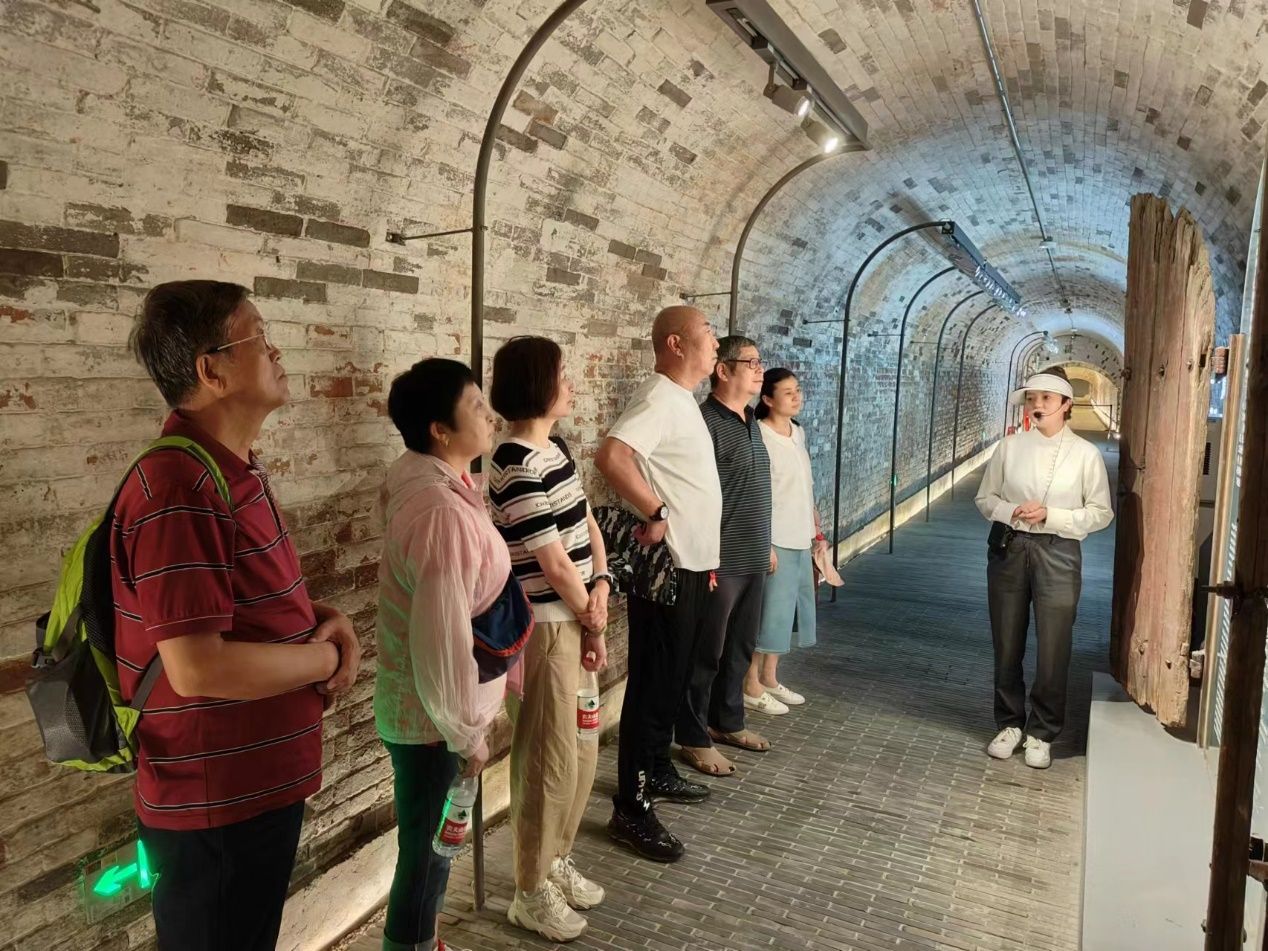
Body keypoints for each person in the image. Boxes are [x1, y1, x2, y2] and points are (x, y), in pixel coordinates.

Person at [116, 280, 361, 951]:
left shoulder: (228, 469)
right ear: (212, 370)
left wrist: (326, 616)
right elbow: (197, 667)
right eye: (259, 336)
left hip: (248, 790)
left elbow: (230, 603)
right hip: (215, 806)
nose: (276, 351)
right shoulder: (179, 486)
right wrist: (326, 657)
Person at [374, 358, 504, 951]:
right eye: (476, 406)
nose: (490, 415)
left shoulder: (432, 481)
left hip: (429, 713)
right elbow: (442, 636)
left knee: (431, 848)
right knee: (428, 855)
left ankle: (422, 939)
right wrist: (465, 733)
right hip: (433, 722)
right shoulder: (441, 512)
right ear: (440, 430)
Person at [488, 336, 612, 943]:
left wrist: (604, 585)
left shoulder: (554, 449)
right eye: (563, 375)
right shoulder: (513, 463)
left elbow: (586, 525)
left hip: (579, 617)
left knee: (582, 747)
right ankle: (529, 889)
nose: (571, 385)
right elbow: (553, 561)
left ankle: (557, 856)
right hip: (546, 628)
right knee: (546, 759)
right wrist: (591, 615)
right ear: (538, 383)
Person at [595, 305, 721, 862]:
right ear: (675, 343)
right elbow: (612, 456)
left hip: (694, 566)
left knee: (672, 681)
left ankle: (658, 769)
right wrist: (656, 509)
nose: (715, 342)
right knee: (652, 687)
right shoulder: (658, 396)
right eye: (707, 333)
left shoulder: (681, 399)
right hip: (669, 568)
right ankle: (632, 807)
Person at [975, 366, 1113, 769]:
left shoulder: (1085, 454)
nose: (1037, 405)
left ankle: (1042, 731)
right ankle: (1009, 724)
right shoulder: (1009, 447)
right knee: (1006, 642)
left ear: (1066, 404)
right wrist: (1012, 510)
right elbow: (985, 499)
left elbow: (1101, 512)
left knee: (1054, 645)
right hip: (1010, 548)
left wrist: (1052, 516)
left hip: (1060, 551)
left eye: (1046, 399)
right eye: (1032, 398)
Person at [676, 335, 773, 777]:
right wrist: (707, 555)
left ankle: (727, 721)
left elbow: (754, 488)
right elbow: (693, 495)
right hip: (719, 559)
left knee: (740, 647)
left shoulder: (751, 419)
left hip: (753, 554)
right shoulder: (705, 422)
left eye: (759, 362)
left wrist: (767, 544)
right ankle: (693, 737)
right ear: (723, 370)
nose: (759, 370)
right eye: (750, 362)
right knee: (706, 653)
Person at [746, 368, 827, 715]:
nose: (797, 397)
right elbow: (757, 493)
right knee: (768, 613)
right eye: (788, 392)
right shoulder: (759, 436)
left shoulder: (798, 432)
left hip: (800, 534)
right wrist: (763, 543)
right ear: (767, 399)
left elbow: (805, 486)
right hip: (775, 536)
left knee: (787, 611)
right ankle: (750, 684)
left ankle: (769, 677)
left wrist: (817, 532)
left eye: (798, 390)